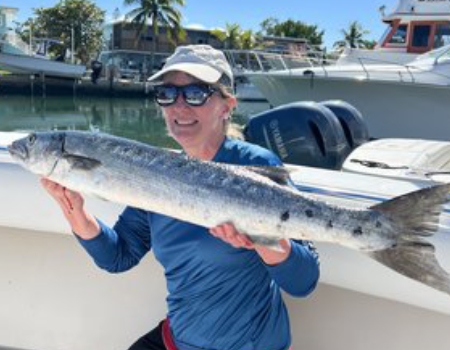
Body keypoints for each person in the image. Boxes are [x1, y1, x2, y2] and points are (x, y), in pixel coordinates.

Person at [41, 44, 320, 350]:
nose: (180, 106)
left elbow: (303, 281)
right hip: (178, 340)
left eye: (196, 93)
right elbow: (119, 256)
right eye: (168, 93)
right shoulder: (154, 172)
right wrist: (74, 212)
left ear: (227, 105)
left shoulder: (257, 166)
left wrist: (263, 242)